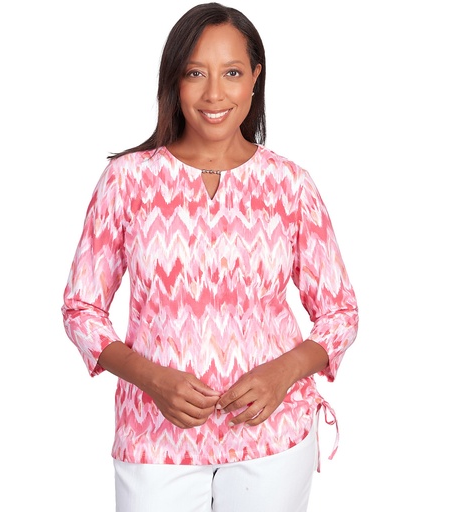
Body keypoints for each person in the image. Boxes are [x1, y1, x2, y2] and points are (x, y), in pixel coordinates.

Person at [61, 3, 358, 511]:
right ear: (174, 80)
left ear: (255, 78)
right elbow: (81, 308)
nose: (214, 94)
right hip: (154, 439)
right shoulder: (128, 180)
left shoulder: (289, 185)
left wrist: (283, 373)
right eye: (195, 73)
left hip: (273, 437)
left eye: (232, 73)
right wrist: (152, 379)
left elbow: (340, 313)